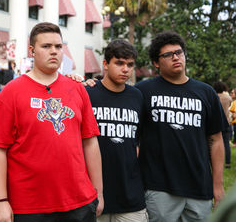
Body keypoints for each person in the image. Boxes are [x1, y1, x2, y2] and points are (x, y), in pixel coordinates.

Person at [0, 22, 103, 222]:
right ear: (32, 51)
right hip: (29, 205)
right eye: (46, 46)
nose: (54, 52)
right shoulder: (11, 92)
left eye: (58, 47)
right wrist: (0, 201)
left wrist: (98, 192)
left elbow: (90, 142)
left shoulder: (77, 89)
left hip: (79, 202)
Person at [135, 31, 228, 222]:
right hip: (159, 187)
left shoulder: (206, 92)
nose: (176, 57)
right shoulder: (143, 92)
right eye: (168, 54)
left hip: (199, 187)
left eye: (179, 52)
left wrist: (217, 186)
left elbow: (216, 140)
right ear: (156, 62)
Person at [86, 39, 148, 222]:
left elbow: (137, 140)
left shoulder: (137, 96)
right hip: (92, 193)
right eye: (119, 63)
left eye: (130, 65)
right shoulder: (88, 93)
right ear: (105, 64)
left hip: (130, 195)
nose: (126, 69)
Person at [213, 81, 233, 168]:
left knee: (214, 144)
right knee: (226, 144)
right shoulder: (228, 98)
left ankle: (214, 162)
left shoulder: (214, 97)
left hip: (217, 123)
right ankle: (227, 163)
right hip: (227, 122)